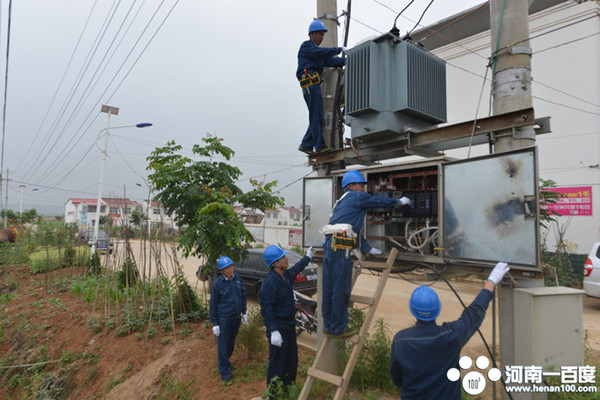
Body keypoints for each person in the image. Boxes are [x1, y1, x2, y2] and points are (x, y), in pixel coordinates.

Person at [390, 262, 511, 399]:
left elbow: (397, 379)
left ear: (413, 310)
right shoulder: (451, 336)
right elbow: (474, 313)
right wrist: (492, 279)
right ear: (437, 309)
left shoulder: (401, 340)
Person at [321, 170, 412, 337]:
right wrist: (398, 201)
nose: (363, 188)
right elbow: (378, 200)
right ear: (352, 186)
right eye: (361, 185)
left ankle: (328, 326)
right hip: (341, 249)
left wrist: (366, 248)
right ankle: (339, 328)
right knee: (340, 290)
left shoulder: (341, 202)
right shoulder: (357, 197)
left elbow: (352, 229)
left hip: (330, 247)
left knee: (329, 289)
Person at [259, 244, 315, 394]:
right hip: (279, 328)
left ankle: (287, 390)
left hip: (289, 326)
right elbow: (267, 309)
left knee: (291, 361)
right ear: (275, 263)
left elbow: (297, 269)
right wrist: (273, 331)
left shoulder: (284, 276)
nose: (286, 259)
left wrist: (308, 257)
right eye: (282, 257)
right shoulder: (270, 283)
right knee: (278, 364)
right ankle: (274, 394)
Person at [296, 19, 347, 154]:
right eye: (319, 34)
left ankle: (306, 144)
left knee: (317, 115)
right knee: (316, 115)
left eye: (323, 34)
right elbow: (321, 53)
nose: (322, 37)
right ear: (312, 34)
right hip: (310, 84)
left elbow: (330, 61)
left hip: (314, 85)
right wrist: (338, 49)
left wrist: (348, 59)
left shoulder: (316, 53)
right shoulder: (307, 46)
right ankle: (319, 147)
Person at [209, 256, 247, 383]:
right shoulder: (217, 285)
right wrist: (215, 323)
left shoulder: (238, 279)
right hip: (224, 319)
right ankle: (225, 373)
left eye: (231, 266)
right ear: (222, 270)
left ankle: (226, 362)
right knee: (223, 346)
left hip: (236, 318)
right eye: (227, 268)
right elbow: (213, 304)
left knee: (231, 343)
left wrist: (244, 312)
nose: (230, 270)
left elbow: (243, 295)